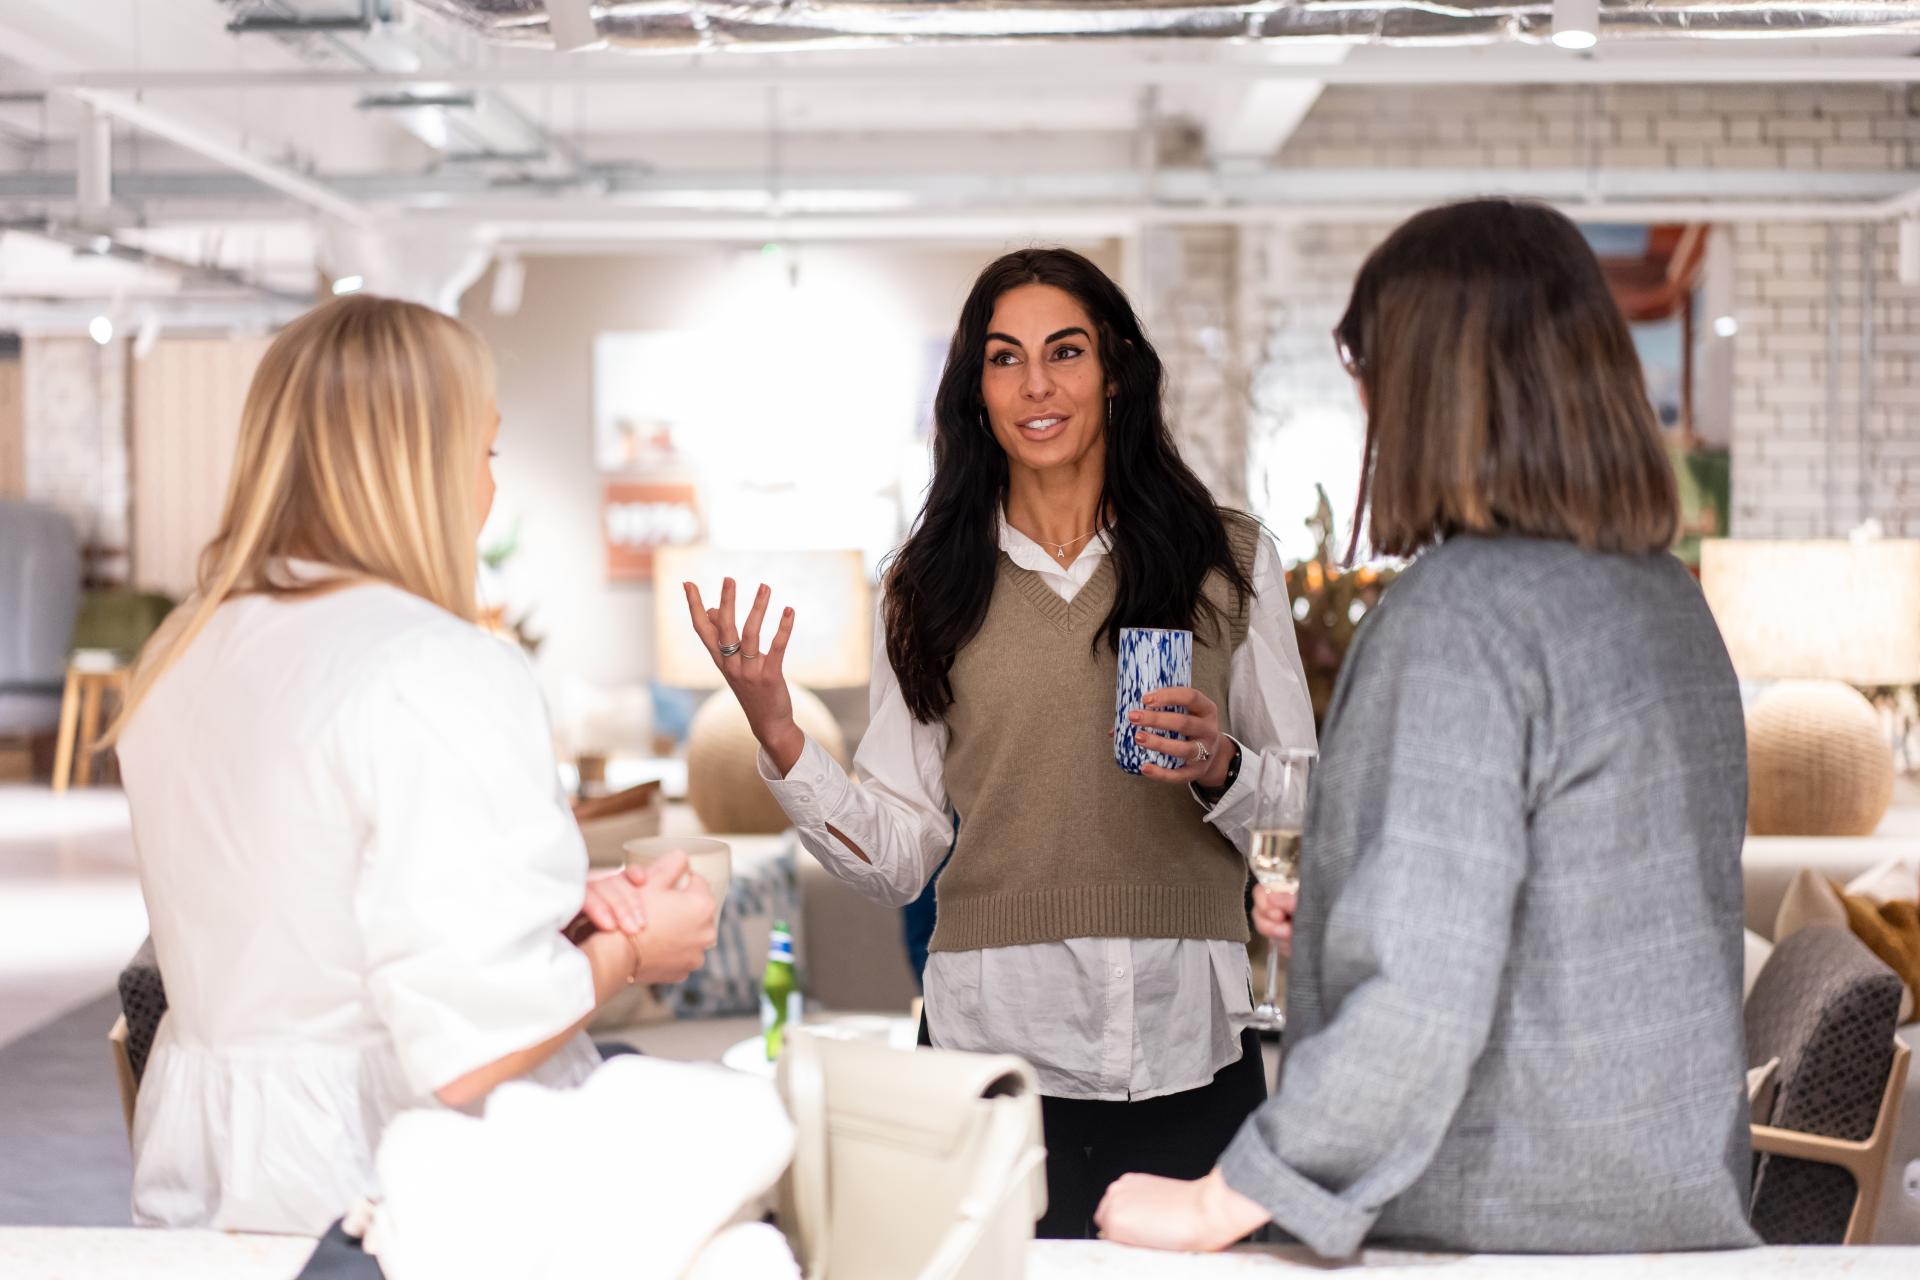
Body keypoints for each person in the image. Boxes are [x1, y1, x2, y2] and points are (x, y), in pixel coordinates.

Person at [1094, 199, 1761, 1257]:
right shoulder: (1669, 605)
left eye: (1366, 365)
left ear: (1430, 383)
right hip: (1671, 1204)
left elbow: (1422, 992)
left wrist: (1225, 1197)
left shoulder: (1461, 618)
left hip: (1500, 1216)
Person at [683, 248, 1316, 1238]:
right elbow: (899, 857)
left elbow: (1305, 791)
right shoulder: (927, 582)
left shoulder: (1229, 558)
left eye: (1064, 351)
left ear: (1114, 367)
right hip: (993, 1059)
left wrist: (1223, 764)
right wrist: (777, 728)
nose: (1036, 385)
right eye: (1004, 358)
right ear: (975, 390)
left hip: (1191, 1043)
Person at [111, 295, 718, 1235]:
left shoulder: (185, 655)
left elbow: (304, 918)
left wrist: (548, 905)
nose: (487, 488)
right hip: (385, 1192)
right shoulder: (436, 665)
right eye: (485, 453)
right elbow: (468, 1052)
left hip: (210, 1179)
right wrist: (636, 946)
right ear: (419, 465)